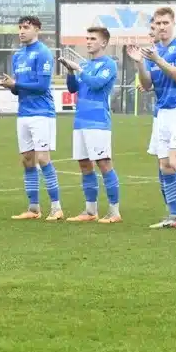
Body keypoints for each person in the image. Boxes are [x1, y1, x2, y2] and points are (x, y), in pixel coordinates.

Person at [130, 7, 176, 229]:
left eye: (165, 23)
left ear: (173, 24)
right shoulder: (152, 52)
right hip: (162, 112)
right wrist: (140, 63)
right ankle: (174, 215)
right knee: (164, 165)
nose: (162, 27)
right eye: (158, 23)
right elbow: (146, 84)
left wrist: (157, 59)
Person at [0, 16, 63, 221]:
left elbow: (42, 86)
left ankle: (56, 207)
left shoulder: (43, 53)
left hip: (42, 113)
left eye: (26, 28)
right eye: (19, 28)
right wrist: (12, 88)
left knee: (43, 159)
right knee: (27, 160)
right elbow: (19, 92)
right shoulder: (17, 56)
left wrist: (16, 85)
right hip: (24, 113)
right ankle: (34, 208)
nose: (21, 31)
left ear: (37, 30)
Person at [60, 26, 121, 223]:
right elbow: (73, 88)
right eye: (87, 38)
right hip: (81, 121)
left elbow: (95, 84)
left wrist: (78, 69)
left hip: (98, 122)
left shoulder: (109, 64)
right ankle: (90, 210)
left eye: (92, 38)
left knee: (103, 164)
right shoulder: (86, 65)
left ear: (103, 43)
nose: (88, 41)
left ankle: (114, 211)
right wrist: (71, 72)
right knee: (84, 165)